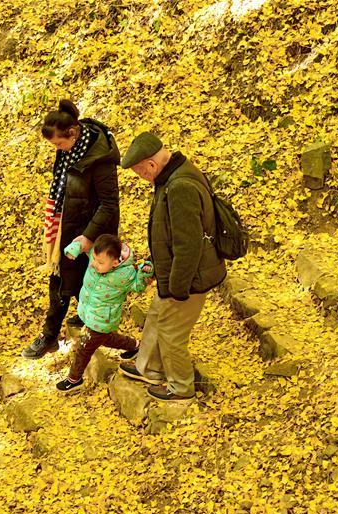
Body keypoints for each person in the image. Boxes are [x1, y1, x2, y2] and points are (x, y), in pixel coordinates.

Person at [117, 132, 227, 400]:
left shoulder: (180, 188)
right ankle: (149, 368)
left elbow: (188, 246)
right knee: (156, 315)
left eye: (141, 172)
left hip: (189, 277)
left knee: (170, 332)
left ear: (151, 165)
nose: (142, 177)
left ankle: (181, 388)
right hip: (177, 272)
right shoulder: (174, 177)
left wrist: (177, 288)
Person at [21, 100, 121, 359]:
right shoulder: (71, 149)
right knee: (66, 280)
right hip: (67, 223)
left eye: (58, 144)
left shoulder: (100, 159)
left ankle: (51, 334)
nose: (57, 149)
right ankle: (61, 330)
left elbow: (110, 205)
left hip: (89, 231)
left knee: (70, 281)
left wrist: (87, 238)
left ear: (73, 133)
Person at [56, 234, 154, 393]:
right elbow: (83, 245)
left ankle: (74, 379)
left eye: (100, 262)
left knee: (85, 348)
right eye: (94, 259)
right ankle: (136, 346)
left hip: (103, 318)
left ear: (115, 262)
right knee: (105, 338)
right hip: (90, 312)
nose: (94, 264)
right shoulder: (96, 256)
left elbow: (137, 286)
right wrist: (74, 248)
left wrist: (144, 273)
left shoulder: (125, 274)